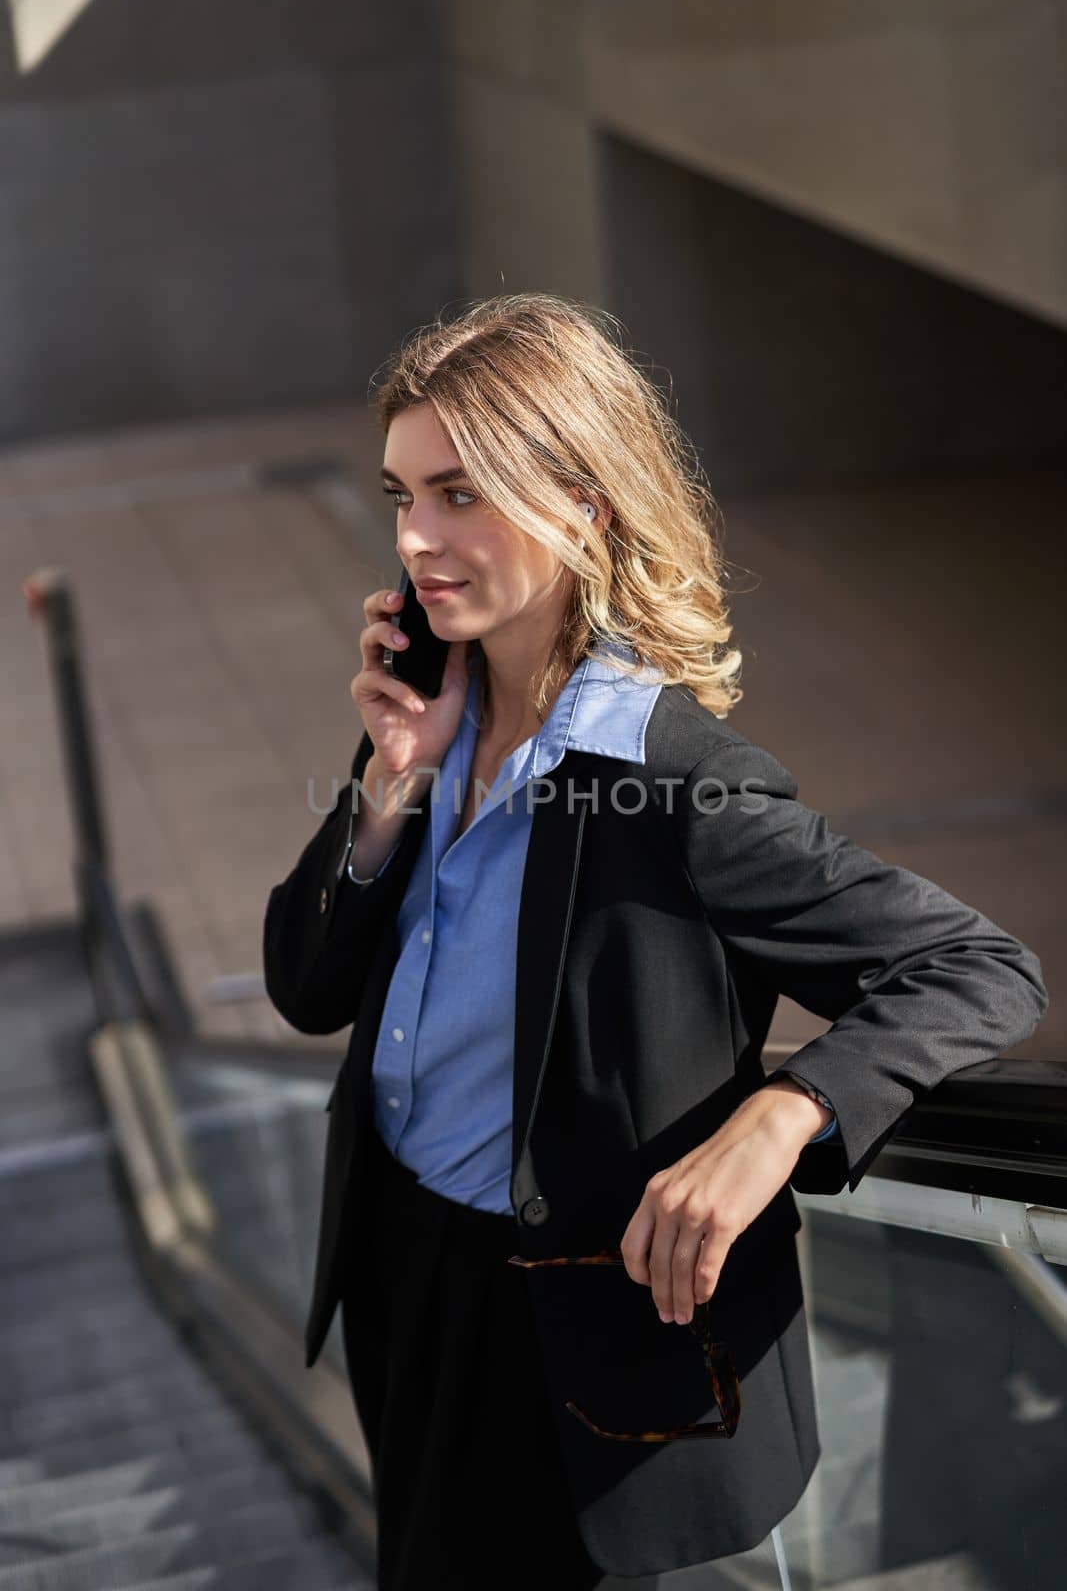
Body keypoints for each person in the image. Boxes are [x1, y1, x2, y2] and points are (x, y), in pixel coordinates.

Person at [262, 292, 1048, 1590]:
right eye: (404, 495)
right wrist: (391, 781)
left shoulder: (679, 784)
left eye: (460, 494)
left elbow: (980, 969)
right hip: (396, 1272)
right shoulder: (429, 709)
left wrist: (783, 1116)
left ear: (585, 500)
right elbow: (304, 987)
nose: (415, 540)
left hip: (562, 1336)